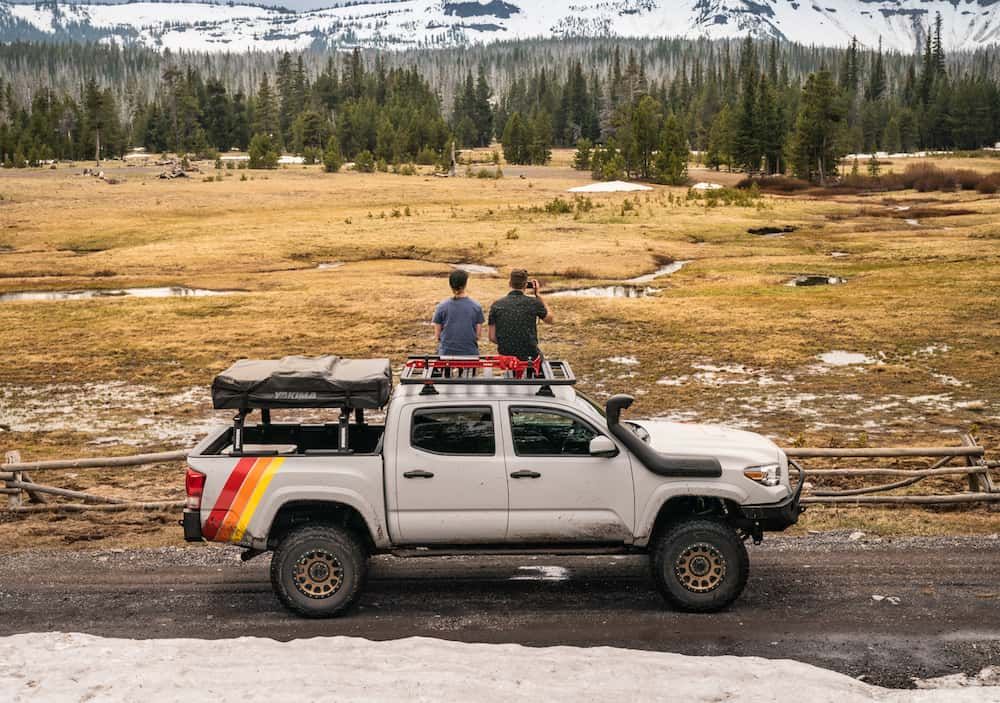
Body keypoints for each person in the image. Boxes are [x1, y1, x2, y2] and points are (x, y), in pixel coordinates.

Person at [488, 268, 554, 362]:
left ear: (510, 283)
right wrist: (538, 296)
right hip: (529, 355)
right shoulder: (533, 303)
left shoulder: (496, 305)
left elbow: (492, 337)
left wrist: (508, 343)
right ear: (526, 285)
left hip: (506, 356)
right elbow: (550, 320)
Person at [432, 269, 485, 357]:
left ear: (450, 285)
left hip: (446, 353)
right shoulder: (476, 307)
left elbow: (437, 336)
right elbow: (478, 336)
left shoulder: (441, 306)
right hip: (469, 352)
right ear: (465, 284)